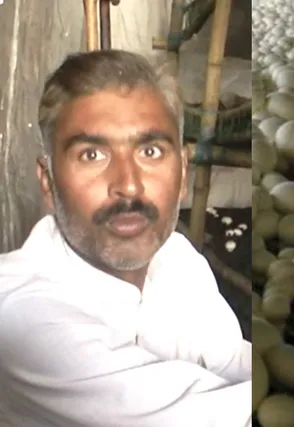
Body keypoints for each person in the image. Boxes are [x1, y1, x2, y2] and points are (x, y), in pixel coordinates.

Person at [0, 50, 252, 426]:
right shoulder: (18, 314)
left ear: (183, 172)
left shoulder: (177, 259)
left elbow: (237, 363)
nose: (129, 185)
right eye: (92, 155)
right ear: (48, 182)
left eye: (150, 151)